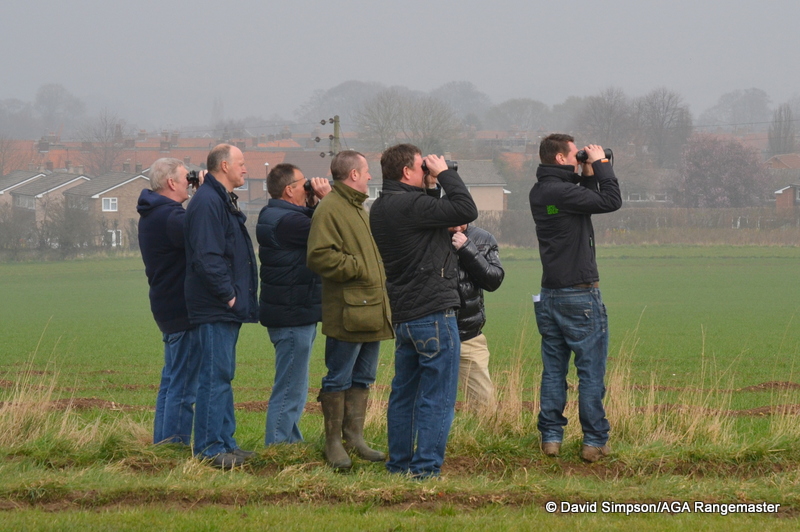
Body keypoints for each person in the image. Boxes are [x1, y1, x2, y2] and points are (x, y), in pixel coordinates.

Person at [370, 143, 478, 478]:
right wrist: (446, 173)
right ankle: (426, 470)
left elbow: (429, 217)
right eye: (422, 167)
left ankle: (398, 465)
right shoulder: (411, 204)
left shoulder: (382, 206)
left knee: (404, 395)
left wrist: (430, 184)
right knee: (438, 396)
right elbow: (465, 209)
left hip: (404, 313)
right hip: (433, 311)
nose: (426, 171)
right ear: (406, 172)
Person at [528, 134, 621, 463]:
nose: (577, 156)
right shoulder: (561, 193)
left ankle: (551, 438)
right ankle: (594, 441)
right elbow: (610, 201)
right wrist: (600, 164)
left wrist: (585, 172)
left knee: (554, 371)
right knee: (590, 372)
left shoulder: (544, 194)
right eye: (573, 154)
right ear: (560, 159)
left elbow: (582, 201)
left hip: (550, 295)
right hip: (580, 295)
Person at [307, 150, 393, 471]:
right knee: (338, 378)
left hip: (371, 309)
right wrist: (359, 266)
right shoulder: (330, 208)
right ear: (353, 175)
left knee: (363, 377)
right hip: (348, 311)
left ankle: (354, 439)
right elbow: (319, 256)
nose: (371, 176)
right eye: (367, 171)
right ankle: (333, 443)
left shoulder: (358, 209)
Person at [184, 144, 258, 469]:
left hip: (224, 306)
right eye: (241, 163)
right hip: (215, 306)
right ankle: (209, 448)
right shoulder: (207, 202)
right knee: (215, 376)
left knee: (223, 375)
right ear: (224, 165)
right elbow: (207, 256)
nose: (246, 169)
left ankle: (226, 442)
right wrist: (229, 295)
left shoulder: (219, 198)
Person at [256, 164, 330, 445]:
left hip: (295, 311)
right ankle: (278, 446)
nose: (308, 187)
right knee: (289, 388)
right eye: (303, 184)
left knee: (295, 387)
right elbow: (330, 229)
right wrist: (328, 198)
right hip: (292, 314)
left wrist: (312, 202)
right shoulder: (286, 221)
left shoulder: (278, 215)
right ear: (289, 190)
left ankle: (289, 441)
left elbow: (312, 226)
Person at [137, 158, 202, 445]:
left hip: (166, 305)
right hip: (181, 308)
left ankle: (163, 443)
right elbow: (202, 229)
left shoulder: (155, 212)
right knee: (184, 385)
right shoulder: (171, 217)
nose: (189, 182)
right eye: (185, 178)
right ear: (171, 183)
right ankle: (173, 443)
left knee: (172, 381)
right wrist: (206, 193)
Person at [450, 223, 504, 412]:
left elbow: (493, 280)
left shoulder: (483, 238)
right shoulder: (428, 234)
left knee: (485, 403)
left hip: (469, 334)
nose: (457, 226)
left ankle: (487, 440)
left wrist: (467, 249)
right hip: (433, 332)